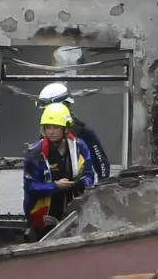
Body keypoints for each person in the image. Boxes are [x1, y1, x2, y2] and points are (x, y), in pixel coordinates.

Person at [23, 102, 95, 240]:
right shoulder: (35, 153)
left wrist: (81, 183)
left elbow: (89, 176)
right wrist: (55, 186)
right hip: (44, 213)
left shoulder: (79, 147)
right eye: (48, 127)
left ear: (66, 128)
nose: (51, 132)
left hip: (73, 209)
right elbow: (30, 186)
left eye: (55, 127)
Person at [37, 82, 111, 181]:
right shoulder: (45, 134)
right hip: (52, 187)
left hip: (78, 187)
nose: (51, 131)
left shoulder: (83, 132)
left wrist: (102, 186)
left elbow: (101, 162)